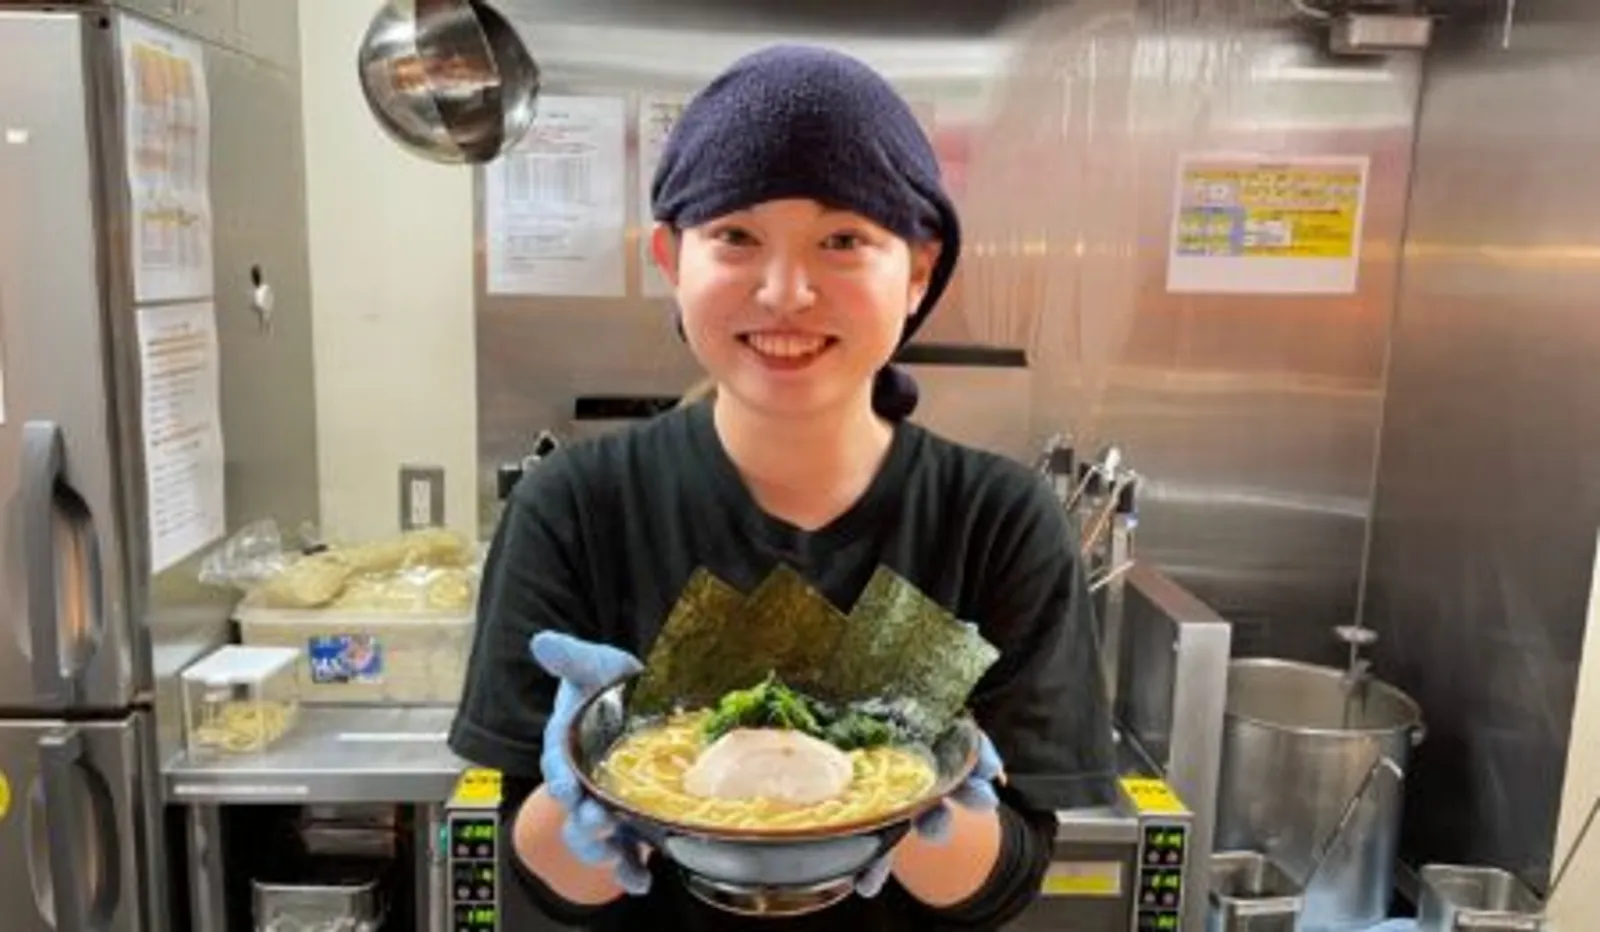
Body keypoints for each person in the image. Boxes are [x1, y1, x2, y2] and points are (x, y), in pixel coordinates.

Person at [448, 43, 1115, 931]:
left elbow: (1004, 883)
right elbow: (542, 881)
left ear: (918, 271)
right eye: (735, 236)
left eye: (844, 239)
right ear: (669, 259)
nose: (786, 290)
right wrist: (597, 784)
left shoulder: (997, 521)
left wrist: (919, 788)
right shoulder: (575, 507)